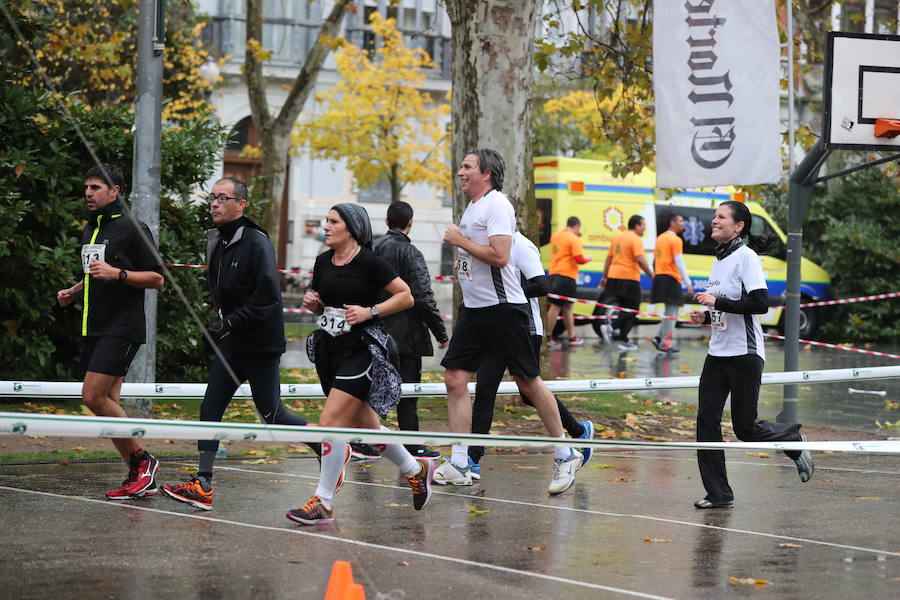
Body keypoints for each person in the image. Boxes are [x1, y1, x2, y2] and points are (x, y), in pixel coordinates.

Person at [161, 177, 322, 511]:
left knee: (272, 414)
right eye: (212, 198)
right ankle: (203, 483)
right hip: (232, 344)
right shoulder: (219, 242)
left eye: (222, 198)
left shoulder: (255, 241)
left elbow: (267, 298)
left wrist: (228, 323)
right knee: (210, 409)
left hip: (260, 344)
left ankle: (327, 445)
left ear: (241, 204)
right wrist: (219, 327)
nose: (215, 204)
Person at [440, 148, 582, 495]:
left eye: (467, 167)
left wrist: (460, 240)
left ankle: (566, 452)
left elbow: (501, 257)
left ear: (486, 173)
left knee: (528, 383)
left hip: (505, 311)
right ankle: (460, 460)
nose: (460, 172)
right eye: (461, 166)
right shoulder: (473, 206)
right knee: (455, 378)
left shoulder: (497, 205)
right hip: (474, 311)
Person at [286, 203, 435, 525]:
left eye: (333, 222)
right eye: (325, 221)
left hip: (363, 351)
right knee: (365, 425)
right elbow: (329, 306)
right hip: (332, 350)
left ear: (351, 228)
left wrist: (371, 312)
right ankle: (415, 469)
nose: (325, 227)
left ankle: (323, 501)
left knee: (330, 423)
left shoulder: (370, 262)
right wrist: (316, 306)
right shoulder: (323, 261)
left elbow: (406, 296)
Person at [688, 200, 814, 509]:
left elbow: (760, 304)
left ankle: (792, 440)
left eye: (721, 217)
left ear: (738, 226)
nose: (714, 221)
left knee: (745, 428)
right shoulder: (719, 260)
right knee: (706, 421)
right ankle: (719, 493)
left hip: (745, 353)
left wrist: (716, 303)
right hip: (717, 354)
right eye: (715, 217)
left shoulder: (746, 258)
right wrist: (705, 317)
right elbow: (727, 309)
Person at [56, 163, 164, 500]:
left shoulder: (133, 228)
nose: (88, 193)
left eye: (96, 188)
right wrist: (75, 291)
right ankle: (139, 476)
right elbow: (95, 272)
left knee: (92, 396)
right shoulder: (92, 228)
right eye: (87, 187)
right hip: (97, 324)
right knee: (108, 402)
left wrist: (118, 274)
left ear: (115, 192)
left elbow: (157, 278)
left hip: (123, 326)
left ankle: (144, 463)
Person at [461, 221, 595, 484]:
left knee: (529, 391)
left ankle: (577, 432)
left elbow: (541, 285)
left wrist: (508, 294)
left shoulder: (521, 245)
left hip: (524, 327)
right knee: (485, 389)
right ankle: (473, 459)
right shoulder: (488, 248)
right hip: (495, 327)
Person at [371, 201, 449, 459]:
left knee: (373, 388)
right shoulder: (410, 253)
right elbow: (423, 295)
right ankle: (412, 445)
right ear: (410, 222)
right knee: (408, 393)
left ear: (386, 221)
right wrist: (440, 332)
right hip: (406, 335)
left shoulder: (373, 248)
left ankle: (367, 441)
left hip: (374, 329)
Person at [599, 215, 653, 352]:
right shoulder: (636, 239)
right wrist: (653, 276)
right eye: (643, 225)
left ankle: (624, 340)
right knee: (634, 309)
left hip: (613, 276)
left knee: (624, 309)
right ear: (636, 226)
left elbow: (608, 258)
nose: (645, 228)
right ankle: (611, 327)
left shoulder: (617, 238)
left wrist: (605, 276)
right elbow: (640, 260)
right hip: (628, 278)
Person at [650, 213, 694, 354]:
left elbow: (655, 259)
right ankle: (665, 344)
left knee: (669, 311)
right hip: (671, 278)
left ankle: (658, 337)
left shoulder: (660, 238)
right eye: (681, 221)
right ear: (672, 222)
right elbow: (679, 263)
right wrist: (688, 282)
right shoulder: (675, 240)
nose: (683, 224)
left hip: (660, 276)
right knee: (672, 313)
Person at [546, 216, 591, 349]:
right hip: (566, 275)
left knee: (567, 307)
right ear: (577, 226)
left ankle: (572, 336)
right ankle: (548, 337)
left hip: (554, 273)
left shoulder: (556, 235)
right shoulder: (573, 238)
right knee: (557, 306)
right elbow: (579, 259)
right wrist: (588, 258)